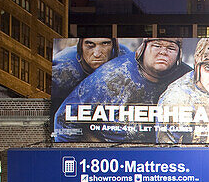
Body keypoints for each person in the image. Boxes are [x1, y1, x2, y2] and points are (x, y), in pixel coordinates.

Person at [53, 38, 189, 142]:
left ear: (178, 55)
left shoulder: (189, 78)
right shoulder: (108, 77)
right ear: (142, 49)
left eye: (171, 48)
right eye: (157, 46)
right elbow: (64, 118)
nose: (163, 52)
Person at [50, 38, 127, 114]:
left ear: (113, 46)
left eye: (105, 44)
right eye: (90, 44)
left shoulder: (124, 59)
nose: (97, 54)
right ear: (81, 47)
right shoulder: (65, 69)